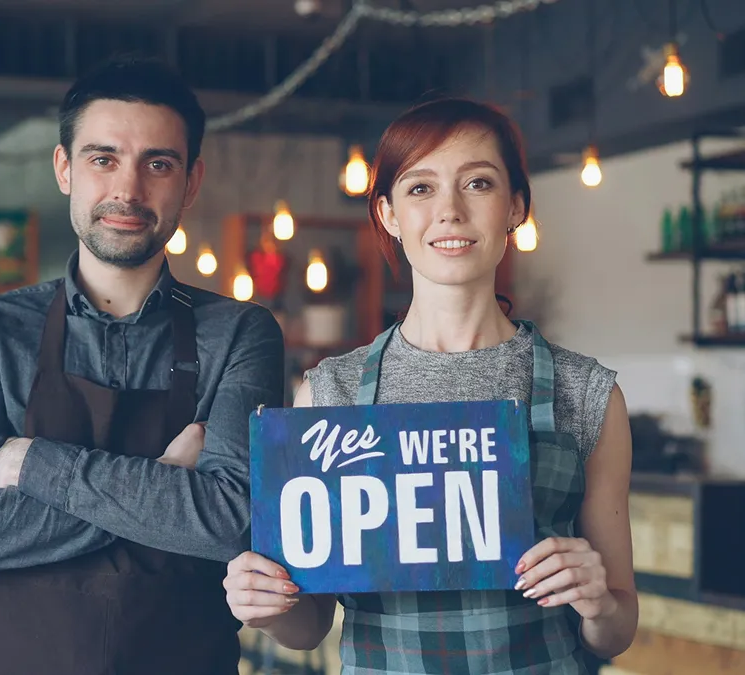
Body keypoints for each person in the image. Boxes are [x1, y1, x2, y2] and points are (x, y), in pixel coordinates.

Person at [223, 97, 637, 674]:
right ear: (389, 214)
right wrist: (265, 605)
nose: (450, 211)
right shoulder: (329, 394)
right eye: (420, 188)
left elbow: (615, 632)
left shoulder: (586, 393)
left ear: (515, 207)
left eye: (478, 184)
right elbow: (310, 623)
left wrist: (597, 602)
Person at [0, 55, 285, 675]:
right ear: (65, 169)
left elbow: (231, 521)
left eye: (158, 164)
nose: (128, 189)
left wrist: (37, 463)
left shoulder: (240, 332)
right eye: (102, 158)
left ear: (190, 183)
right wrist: (164, 480)